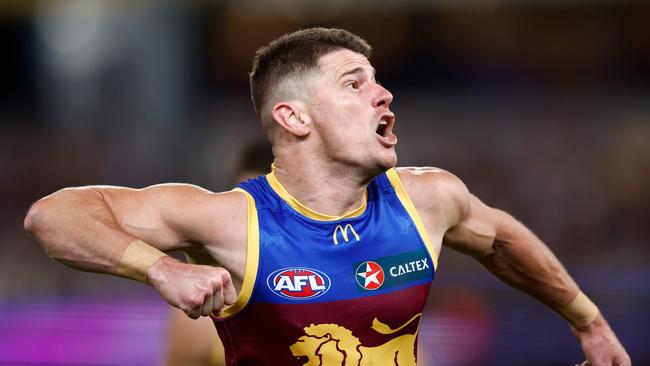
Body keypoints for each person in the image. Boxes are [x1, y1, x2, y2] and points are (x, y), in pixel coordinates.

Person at [24, 28, 630, 366]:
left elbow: (502, 241)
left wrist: (589, 323)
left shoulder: (429, 199)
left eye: (379, 80)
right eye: (354, 83)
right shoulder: (233, 221)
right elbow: (53, 215)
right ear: (294, 117)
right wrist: (159, 270)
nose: (384, 94)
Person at [165, 141, 273, 366]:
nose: (252, 221)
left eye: (268, 209)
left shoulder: (337, 288)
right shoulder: (203, 310)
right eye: (243, 207)